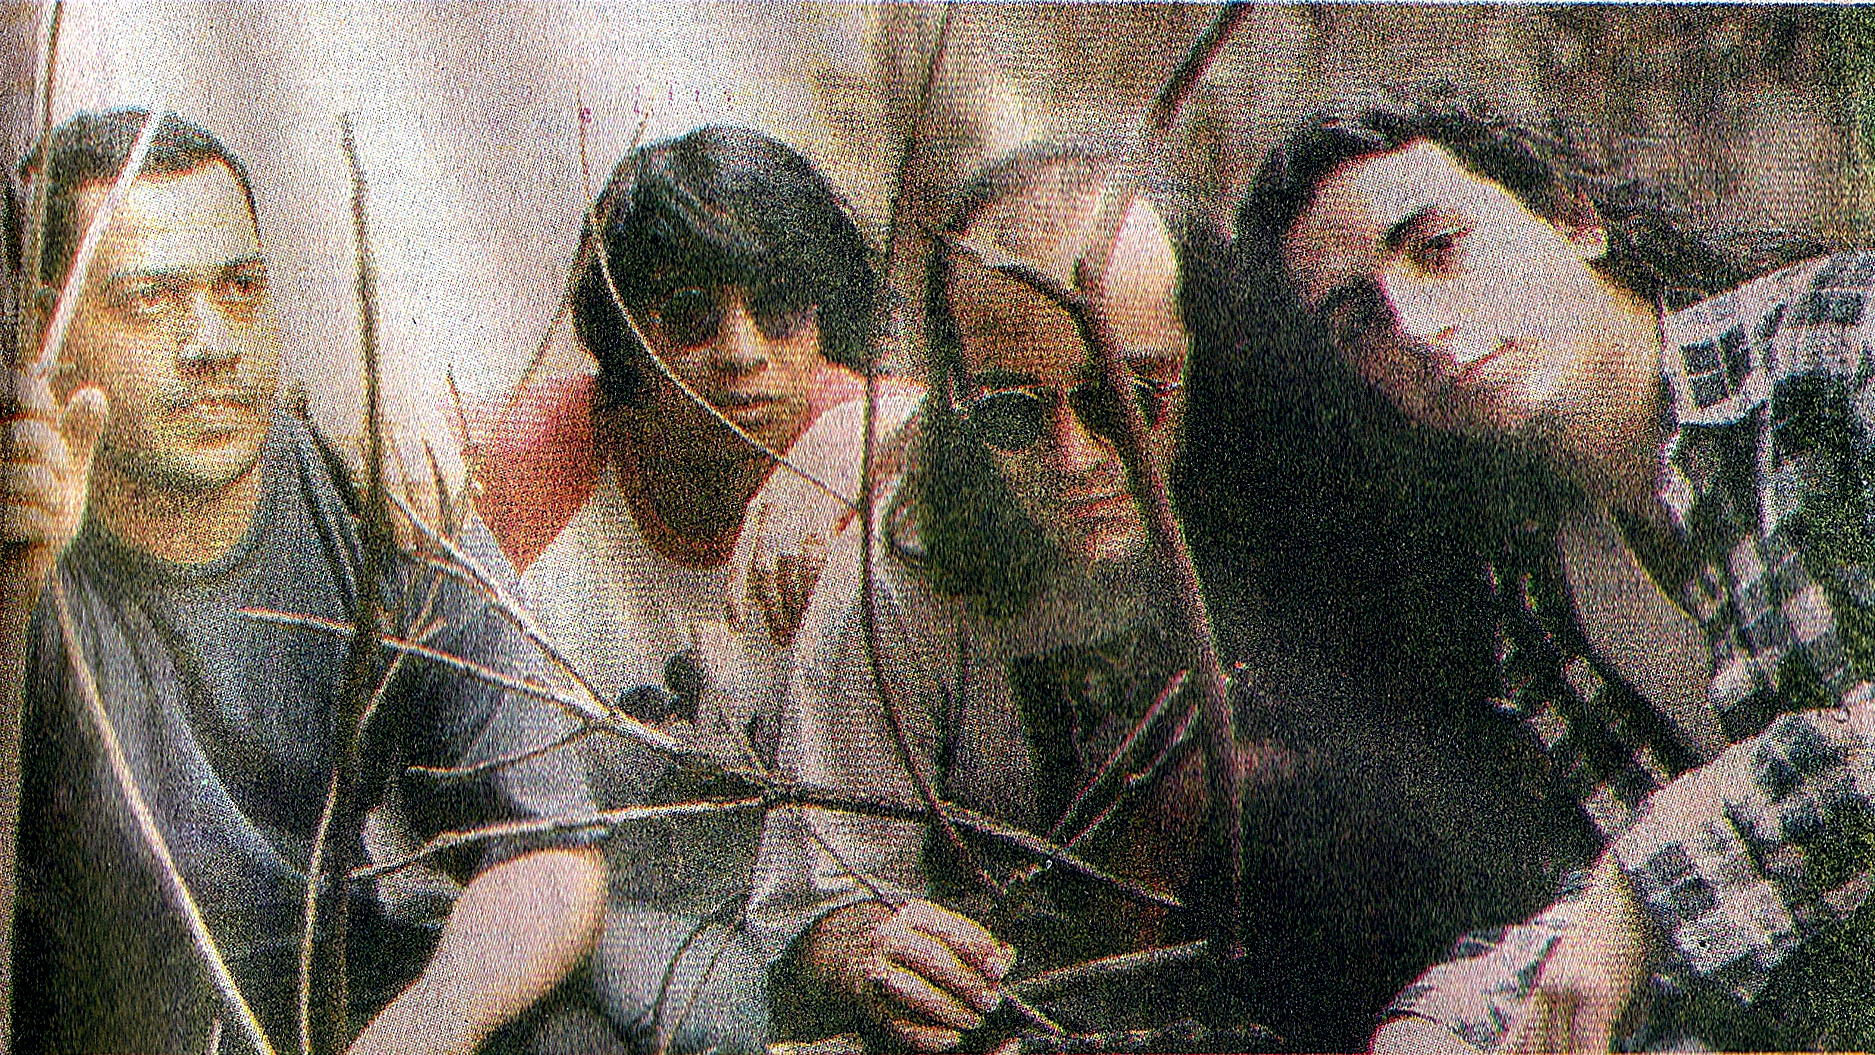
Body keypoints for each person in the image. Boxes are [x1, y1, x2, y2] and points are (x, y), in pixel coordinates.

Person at [755, 144, 1585, 1054]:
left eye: (1126, 396)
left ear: (1207, 352)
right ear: (952, 401)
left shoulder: (1304, 487)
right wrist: (870, 950)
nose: (1075, 457)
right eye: (1011, 412)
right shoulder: (897, 574)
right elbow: (812, 908)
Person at [1235, 88, 1875, 1052]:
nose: (1413, 325)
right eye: (1357, 321)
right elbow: (1662, 942)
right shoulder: (1532, 596)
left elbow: (1643, 901)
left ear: (1571, 218)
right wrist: (1444, 1025)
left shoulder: (1839, 341)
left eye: (1436, 247)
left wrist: (1640, 894)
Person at [3, 108, 607, 1055]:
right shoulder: (19, 528)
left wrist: (426, 1029)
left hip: (339, 1002)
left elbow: (551, 852)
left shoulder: (372, 496)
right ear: (49, 327)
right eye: (147, 300)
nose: (212, 341)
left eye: (240, 287)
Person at [473, 125, 919, 1054]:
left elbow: (949, 420)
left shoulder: (860, 430)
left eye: (780, 309)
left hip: (776, 926)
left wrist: (839, 453)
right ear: (627, 339)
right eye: (690, 316)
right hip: (558, 899)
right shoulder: (543, 464)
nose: (743, 351)